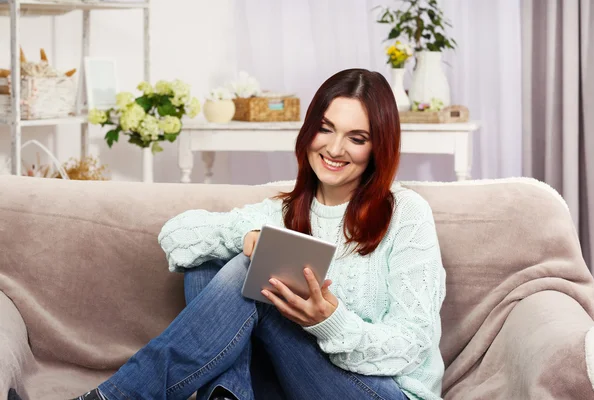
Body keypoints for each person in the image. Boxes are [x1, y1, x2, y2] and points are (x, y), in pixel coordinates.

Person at [73, 68, 446, 400]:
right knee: (210, 262)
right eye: (326, 128)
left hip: (385, 391)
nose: (334, 149)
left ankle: (117, 395)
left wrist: (329, 320)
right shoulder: (282, 211)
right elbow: (176, 235)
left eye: (357, 138)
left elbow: (412, 345)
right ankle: (226, 394)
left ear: (379, 146)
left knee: (239, 270)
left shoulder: (406, 213)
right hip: (295, 384)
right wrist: (246, 236)